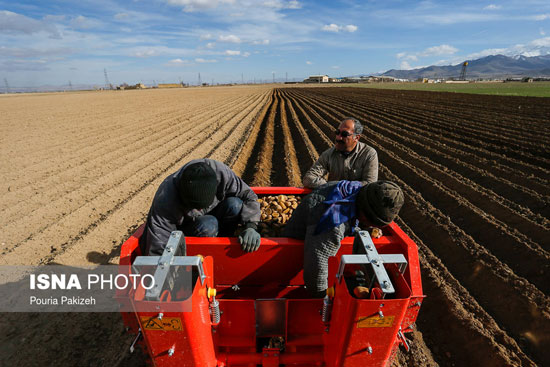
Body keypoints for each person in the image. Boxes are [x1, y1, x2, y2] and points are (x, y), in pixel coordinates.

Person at [283, 180, 404, 297]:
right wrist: (322, 298)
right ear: (365, 214)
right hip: (294, 249)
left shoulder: (348, 188)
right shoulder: (332, 224)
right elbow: (316, 270)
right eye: (371, 221)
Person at [141, 158, 261, 256]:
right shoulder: (166, 197)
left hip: (216, 213)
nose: (198, 210)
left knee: (235, 204)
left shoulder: (221, 174)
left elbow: (248, 195)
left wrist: (251, 226)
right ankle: (205, 252)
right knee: (208, 225)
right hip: (188, 228)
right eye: (193, 206)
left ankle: (225, 240)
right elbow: (159, 238)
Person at [303, 117, 378, 189]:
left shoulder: (369, 154)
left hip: (358, 198)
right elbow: (309, 178)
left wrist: (345, 188)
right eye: (337, 132)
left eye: (344, 134)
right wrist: (333, 187)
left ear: (356, 138)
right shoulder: (329, 154)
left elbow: (369, 184)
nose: (338, 137)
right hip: (333, 197)